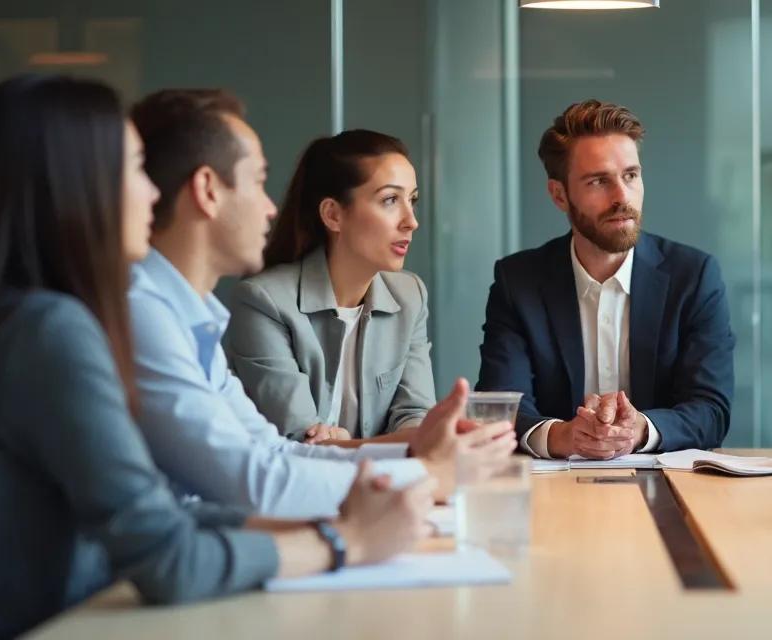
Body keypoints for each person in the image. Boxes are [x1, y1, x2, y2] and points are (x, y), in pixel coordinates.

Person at [0, 75, 434, 638]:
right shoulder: (48, 331)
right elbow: (171, 559)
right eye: (136, 168)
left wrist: (374, 500)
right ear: (77, 184)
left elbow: (175, 510)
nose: (154, 192)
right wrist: (345, 541)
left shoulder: (10, 318)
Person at [126, 89, 514, 518]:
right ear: (207, 189)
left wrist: (424, 454)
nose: (271, 208)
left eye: (412, 200)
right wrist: (425, 472)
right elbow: (260, 474)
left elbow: (273, 453)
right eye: (257, 182)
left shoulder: (188, 320)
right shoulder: (149, 316)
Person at [477, 99, 736, 459]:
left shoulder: (693, 276)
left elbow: (711, 411)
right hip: (555, 490)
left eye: (630, 175)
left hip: (667, 488)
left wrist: (640, 429)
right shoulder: (518, 282)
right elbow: (501, 409)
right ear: (559, 195)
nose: (621, 197)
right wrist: (564, 436)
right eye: (599, 181)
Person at [224, 131, 432, 446]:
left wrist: (347, 443)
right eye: (390, 200)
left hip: (383, 487)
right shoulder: (262, 301)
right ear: (333, 215)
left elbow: (415, 414)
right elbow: (298, 441)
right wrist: (416, 442)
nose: (411, 221)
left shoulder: (410, 295)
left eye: (412, 200)